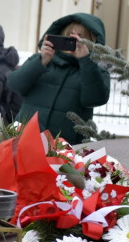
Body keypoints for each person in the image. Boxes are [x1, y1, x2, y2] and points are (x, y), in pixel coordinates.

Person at [7, 13, 111, 144]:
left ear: (92, 42)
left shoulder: (96, 71)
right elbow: (15, 85)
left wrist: (85, 60)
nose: (74, 41)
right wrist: (40, 62)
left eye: (81, 37)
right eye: (69, 35)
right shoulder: (42, 60)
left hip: (65, 146)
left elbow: (94, 99)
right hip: (25, 139)